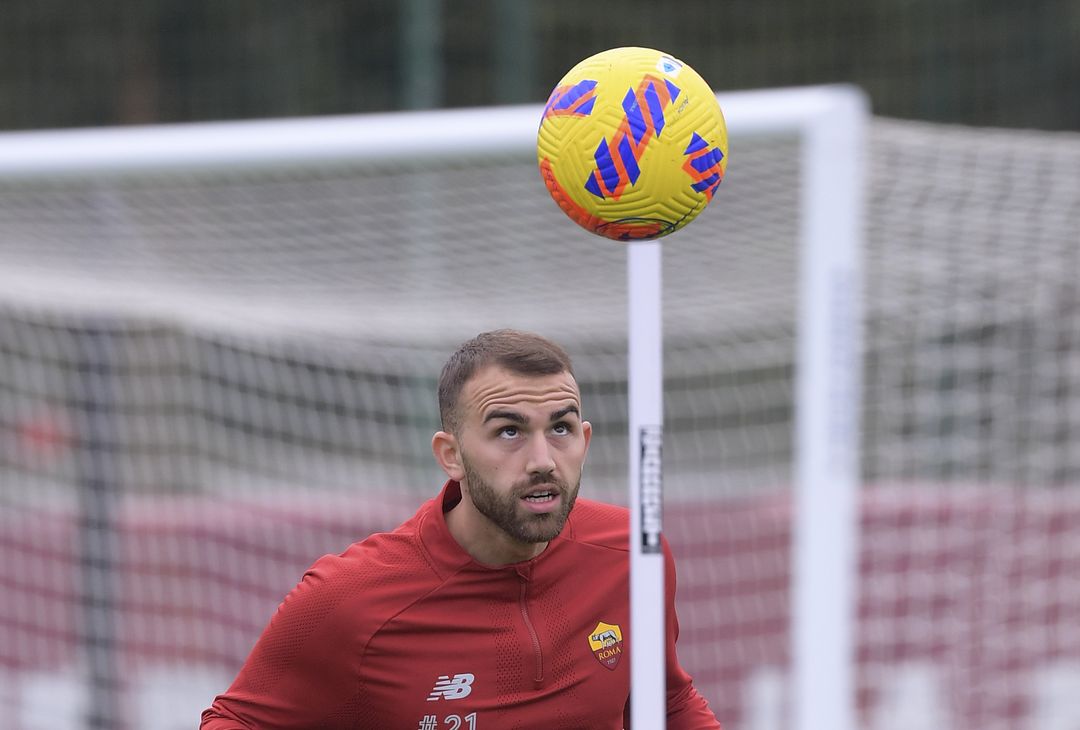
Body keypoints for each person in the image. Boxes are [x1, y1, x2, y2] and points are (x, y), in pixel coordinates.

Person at [201, 329, 721, 729]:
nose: (543, 460)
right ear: (451, 455)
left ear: (584, 439)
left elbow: (667, 704)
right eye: (509, 431)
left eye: (560, 428)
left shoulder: (633, 553)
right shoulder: (351, 598)